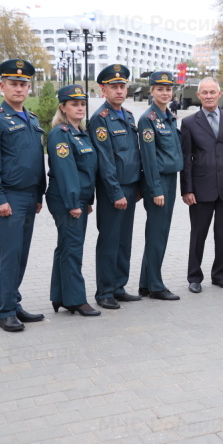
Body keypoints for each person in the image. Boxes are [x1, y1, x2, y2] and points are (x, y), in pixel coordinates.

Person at [0, 59, 47, 332]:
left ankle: (14, 303)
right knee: (10, 255)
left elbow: (36, 161)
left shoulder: (31, 119)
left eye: (23, 84)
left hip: (30, 197)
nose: (19, 89)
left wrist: (40, 194)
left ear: (29, 87)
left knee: (21, 255)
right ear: (2, 85)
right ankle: (5, 311)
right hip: (9, 198)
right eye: (13, 84)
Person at [89, 64, 142, 310]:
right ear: (104, 90)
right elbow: (105, 161)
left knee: (124, 240)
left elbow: (135, 154)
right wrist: (115, 192)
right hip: (115, 190)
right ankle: (105, 291)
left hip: (131, 187)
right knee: (109, 240)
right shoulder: (100, 120)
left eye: (122, 86)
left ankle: (119, 286)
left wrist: (139, 186)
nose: (119, 91)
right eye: (114, 87)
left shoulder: (129, 116)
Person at [181, 78, 223, 293]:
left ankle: (220, 275)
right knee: (198, 234)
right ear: (198, 96)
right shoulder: (188, 122)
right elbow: (186, 158)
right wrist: (186, 189)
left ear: (220, 93)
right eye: (204, 92)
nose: (208, 96)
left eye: (212, 92)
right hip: (200, 189)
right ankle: (194, 277)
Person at [46, 85, 99, 317]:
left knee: (65, 247)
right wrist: (73, 204)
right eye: (74, 104)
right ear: (63, 107)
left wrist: (87, 200)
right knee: (73, 249)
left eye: (82, 104)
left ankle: (60, 296)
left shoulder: (81, 132)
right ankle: (76, 300)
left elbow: (88, 170)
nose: (79, 108)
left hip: (77, 199)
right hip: (66, 200)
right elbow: (67, 172)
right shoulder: (61, 134)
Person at [138, 71, 183, 300]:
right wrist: (156, 189)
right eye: (160, 89)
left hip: (170, 179)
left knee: (160, 232)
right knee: (157, 233)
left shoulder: (169, 116)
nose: (165, 93)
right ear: (151, 91)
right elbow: (149, 158)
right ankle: (155, 285)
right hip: (158, 182)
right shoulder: (148, 119)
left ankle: (146, 282)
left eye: (168, 89)